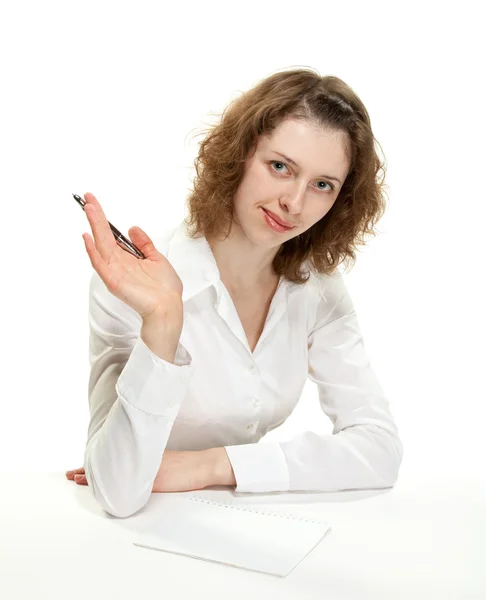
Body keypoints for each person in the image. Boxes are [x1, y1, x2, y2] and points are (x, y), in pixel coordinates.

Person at [65, 67, 403, 518]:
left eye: (322, 185)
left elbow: (379, 448)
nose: (295, 203)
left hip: (245, 531)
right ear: (241, 154)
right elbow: (119, 491)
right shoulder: (136, 285)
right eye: (280, 167)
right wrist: (163, 323)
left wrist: (211, 465)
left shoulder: (318, 289)